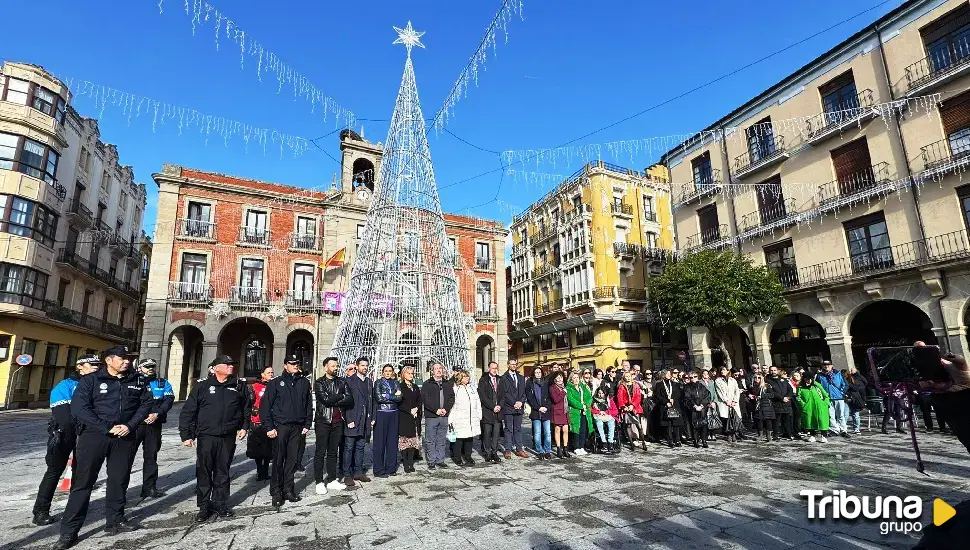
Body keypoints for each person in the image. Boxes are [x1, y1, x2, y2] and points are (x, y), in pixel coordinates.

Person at [54, 346, 150, 550]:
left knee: (119, 479)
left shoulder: (137, 379)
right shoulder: (91, 380)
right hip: (94, 436)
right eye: (123, 358)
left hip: (124, 436)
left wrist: (130, 425)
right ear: (109, 360)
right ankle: (69, 531)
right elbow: (79, 409)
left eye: (129, 358)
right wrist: (106, 427)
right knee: (83, 482)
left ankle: (115, 520)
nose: (127, 361)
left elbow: (145, 405)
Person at [179, 355, 249, 523]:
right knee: (204, 470)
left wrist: (244, 427)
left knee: (223, 470)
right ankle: (204, 506)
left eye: (232, 364)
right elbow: (189, 411)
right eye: (227, 364)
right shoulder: (202, 386)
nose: (231, 366)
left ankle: (220, 503)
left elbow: (246, 408)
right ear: (216, 367)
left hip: (227, 436)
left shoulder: (239, 386)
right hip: (206, 436)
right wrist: (186, 434)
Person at [33, 354, 101, 527]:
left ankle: (76, 508)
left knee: (82, 473)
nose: (95, 367)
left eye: (97, 365)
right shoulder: (65, 386)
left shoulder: (98, 385)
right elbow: (63, 416)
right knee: (54, 472)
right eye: (91, 364)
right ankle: (41, 511)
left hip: (87, 434)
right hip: (65, 434)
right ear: (80, 366)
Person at [261, 355, 313, 507]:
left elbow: (308, 404)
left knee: (292, 460)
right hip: (280, 426)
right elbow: (265, 407)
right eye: (292, 363)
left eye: (297, 363)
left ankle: (288, 489)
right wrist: (269, 427)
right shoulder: (276, 383)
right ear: (285, 366)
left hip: (297, 427)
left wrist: (307, 423)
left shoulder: (304, 382)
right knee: (278, 460)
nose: (296, 365)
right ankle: (276, 491)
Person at [131, 358, 173, 498]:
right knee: (126, 457)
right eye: (147, 367)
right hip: (135, 426)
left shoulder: (162, 383)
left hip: (154, 425)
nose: (150, 369)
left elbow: (168, 401)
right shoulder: (133, 382)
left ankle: (149, 488)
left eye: (152, 367)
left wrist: (157, 413)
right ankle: (121, 487)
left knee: (151, 457)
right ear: (139, 368)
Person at [313, 357, 352, 494]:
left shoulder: (342, 381)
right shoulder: (319, 382)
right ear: (325, 367)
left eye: (336, 365)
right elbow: (325, 400)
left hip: (338, 421)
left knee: (333, 452)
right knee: (320, 452)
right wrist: (339, 395)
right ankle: (318, 481)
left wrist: (335, 397)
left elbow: (349, 399)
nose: (335, 368)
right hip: (323, 421)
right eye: (333, 366)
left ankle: (332, 479)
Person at [343, 357, 374, 487]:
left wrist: (372, 417)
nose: (365, 368)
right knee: (349, 447)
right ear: (357, 366)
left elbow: (371, 401)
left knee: (361, 446)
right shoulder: (349, 381)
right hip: (353, 419)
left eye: (366, 365)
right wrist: (348, 419)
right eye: (362, 365)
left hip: (364, 420)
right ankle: (347, 474)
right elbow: (344, 403)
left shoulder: (369, 382)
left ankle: (358, 471)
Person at [421, 362, 455, 470]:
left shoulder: (447, 384)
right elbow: (425, 399)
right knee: (430, 439)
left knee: (441, 439)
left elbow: (451, 398)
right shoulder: (427, 384)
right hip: (432, 416)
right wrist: (436, 410)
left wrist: (446, 409)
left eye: (440, 368)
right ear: (432, 371)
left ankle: (440, 460)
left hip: (444, 416)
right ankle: (431, 461)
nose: (439, 370)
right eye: (436, 369)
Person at [448, 370, 482, 465]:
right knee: (459, 438)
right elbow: (452, 405)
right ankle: (457, 457)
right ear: (460, 378)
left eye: (468, 377)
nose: (467, 378)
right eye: (465, 377)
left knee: (469, 438)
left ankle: (468, 456)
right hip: (459, 418)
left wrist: (479, 414)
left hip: (471, 417)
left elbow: (477, 401)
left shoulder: (472, 388)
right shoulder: (456, 389)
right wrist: (450, 419)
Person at [247, 366, 275, 481]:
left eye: (272, 372)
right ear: (262, 374)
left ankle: (266, 470)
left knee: (268, 448)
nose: (271, 374)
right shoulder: (254, 386)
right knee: (257, 449)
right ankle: (260, 471)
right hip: (257, 421)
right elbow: (249, 403)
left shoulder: (274, 386)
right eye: (268, 372)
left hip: (270, 421)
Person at [499, 359, 528, 459]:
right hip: (508, 407)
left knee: (518, 429)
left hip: (519, 407)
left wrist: (521, 402)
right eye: (512, 364)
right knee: (508, 429)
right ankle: (508, 450)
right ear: (508, 365)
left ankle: (519, 449)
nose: (514, 366)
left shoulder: (521, 377)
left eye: (515, 364)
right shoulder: (503, 378)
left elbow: (524, 392)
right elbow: (504, 393)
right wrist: (514, 403)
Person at [397, 366, 422, 473]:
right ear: (403, 374)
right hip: (404, 416)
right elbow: (399, 402)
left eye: (412, 373)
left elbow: (420, 400)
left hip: (414, 417)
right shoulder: (400, 387)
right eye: (408, 373)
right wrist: (409, 410)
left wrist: (416, 408)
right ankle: (406, 463)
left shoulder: (415, 386)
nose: (411, 375)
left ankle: (411, 463)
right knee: (404, 441)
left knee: (412, 441)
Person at [477, 361, 503, 462]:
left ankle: (494, 452)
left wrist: (500, 405)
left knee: (496, 434)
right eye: (493, 368)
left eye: (496, 368)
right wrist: (493, 406)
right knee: (487, 433)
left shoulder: (501, 379)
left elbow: (503, 395)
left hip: (498, 412)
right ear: (489, 369)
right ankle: (487, 452)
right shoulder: (483, 380)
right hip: (487, 411)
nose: (495, 370)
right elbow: (482, 396)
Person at [617, 370, 649, 450]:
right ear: (624, 377)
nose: (628, 378)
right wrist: (623, 406)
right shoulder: (621, 386)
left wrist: (633, 405)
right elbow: (619, 397)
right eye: (626, 376)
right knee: (628, 425)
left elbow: (638, 396)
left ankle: (643, 442)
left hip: (635, 407)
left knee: (639, 426)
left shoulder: (636, 385)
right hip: (626, 407)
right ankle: (631, 443)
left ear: (631, 377)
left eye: (629, 376)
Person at [525, 366, 552, 459]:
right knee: (537, 433)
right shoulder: (529, 383)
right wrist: (538, 408)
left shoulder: (546, 383)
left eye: (539, 372)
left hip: (546, 411)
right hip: (536, 412)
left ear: (542, 373)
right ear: (533, 373)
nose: (538, 374)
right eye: (536, 372)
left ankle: (548, 450)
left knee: (548, 432)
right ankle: (540, 451)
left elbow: (549, 397)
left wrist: (546, 407)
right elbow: (530, 398)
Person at [818, 361, 849, 438]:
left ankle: (843, 430)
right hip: (827, 398)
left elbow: (845, 384)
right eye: (824, 365)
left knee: (841, 415)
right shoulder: (820, 375)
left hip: (838, 397)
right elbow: (818, 386)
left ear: (832, 365)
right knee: (831, 415)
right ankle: (834, 430)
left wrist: (841, 392)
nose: (826, 366)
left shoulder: (838, 374)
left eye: (828, 365)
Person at [796, 372, 831, 443]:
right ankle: (812, 435)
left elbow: (825, 394)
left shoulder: (817, 385)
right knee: (810, 421)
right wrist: (803, 405)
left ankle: (823, 436)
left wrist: (826, 403)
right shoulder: (801, 387)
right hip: (808, 407)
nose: (808, 381)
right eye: (806, 379)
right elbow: (798, 397)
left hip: (820, 406)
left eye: (809, 379)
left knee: (822, 421)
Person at [655, 369, 684, 448]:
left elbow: (678, 394)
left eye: (669, 374)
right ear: (663, 375)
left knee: (676, 424)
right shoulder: (659, 384)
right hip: (665, 406)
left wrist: (673, 400)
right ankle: (670, 440)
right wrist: (666, 402)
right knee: (668, 424)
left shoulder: (675, 384)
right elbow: (657, 396)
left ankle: (677, 440)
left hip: (675, 405)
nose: (669, 375)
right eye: (667, 374)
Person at [682, 371, 711, 448]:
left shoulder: (702, 386)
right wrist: (695, 406)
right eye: (691, 377)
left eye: (695, 377)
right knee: (694, 425)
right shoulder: (687, 387)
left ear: (697, 377)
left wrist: (701, 405)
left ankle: (704, 440)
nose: (693, 379)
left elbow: (706, 396)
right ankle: (696, 440)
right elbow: (687, 398)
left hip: (702, 408)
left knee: (704, 424)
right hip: (693, 409)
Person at [566, 372, 593, 455]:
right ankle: (576, 447)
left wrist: (586, 405)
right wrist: (581, 406)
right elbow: (571, 400)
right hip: (575, 412)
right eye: (574, 378)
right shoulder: (568, 388)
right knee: (576, 430)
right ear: (571, 379)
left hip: (585, 411)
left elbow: (589, 397)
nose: (576, 379)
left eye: (577, 377)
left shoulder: (583, 387)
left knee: (583, 429)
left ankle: (582, 446)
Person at [715, 367, 742, 442]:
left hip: (733, 403)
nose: (722, 371)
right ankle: (729, 435)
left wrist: (735, 401)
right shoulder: (718, 380)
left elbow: (737, 390)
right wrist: (726, 401)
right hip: (725, 403)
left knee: (734, 418)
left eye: (724, 370)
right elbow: (720, 392)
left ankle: (734, 434)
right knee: (726, 419)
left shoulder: (732, 380)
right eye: (721, 370)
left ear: (727, 371)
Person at [767, 366, 794, 441]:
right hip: (776, 403)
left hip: (786, 403)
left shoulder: (783, 380)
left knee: (787, 420)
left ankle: (788, 434)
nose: (773, 372)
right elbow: (771, 392)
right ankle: (776, 435)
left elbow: (790, 389)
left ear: (777, 371)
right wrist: (782, 398)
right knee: (776, 421)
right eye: (771, 370)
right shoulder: (767, 381)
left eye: (775, 370)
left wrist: (788, 397)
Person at [548, 372, 571, 458]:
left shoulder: (564, 387)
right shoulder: (552, 388)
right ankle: (558, 449)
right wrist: (563, 392)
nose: (560, 379)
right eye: (558, 377)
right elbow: (556, 399)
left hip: (564, 411)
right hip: (557, 411)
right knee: (557, 430)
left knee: (565, 430)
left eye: (561, 377)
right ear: (554, 379)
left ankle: (565, 448)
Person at [748, 373, 776, 442]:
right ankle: (760, 435)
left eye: (759, 377)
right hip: (757, 406)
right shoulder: (752, 387)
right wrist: (749, 396)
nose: (757, 379)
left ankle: (768, 436)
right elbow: (750, 394)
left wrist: (762, 396)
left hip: (766, 406)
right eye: (755, 377)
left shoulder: (766, 386)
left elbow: (772, 395)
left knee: (768, 421)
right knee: (759, 421)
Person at [591, 386, 618, 453]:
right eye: (599, 393)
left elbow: (615, 411)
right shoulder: (593, 400)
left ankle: (610, 442)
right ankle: (604, 442)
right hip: (598, 416)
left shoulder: (609, 400)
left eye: (602, 393)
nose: (600, 395)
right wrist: (599, 412)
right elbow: (591, 410)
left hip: (608, 416)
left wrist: (606, 412)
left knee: (611, 422)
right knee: (599, 423)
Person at [844, 365, 868, 435]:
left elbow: (857, 387)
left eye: (852, 370)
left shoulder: (854, 378)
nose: (851, 372)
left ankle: (856, 428)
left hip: (853, 398)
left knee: (853, 414)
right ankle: (845, 428)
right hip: (850, 398)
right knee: (847, 414)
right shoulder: (851, 378)